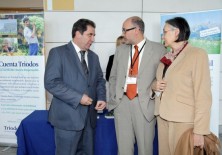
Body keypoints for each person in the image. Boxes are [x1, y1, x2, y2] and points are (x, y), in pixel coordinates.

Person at [44, 18, 106, 155]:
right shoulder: (58, 53)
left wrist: (101, 97)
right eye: (90, 34)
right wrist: (78, 97)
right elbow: (51, 82)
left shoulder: (94, 57)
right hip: (67, 119)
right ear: (78, 33)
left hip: (89, 119)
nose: (93, 39)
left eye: (94, 35)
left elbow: (100, 80)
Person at [151, 17, 212, 155]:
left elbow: (203, 95)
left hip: (184, 122)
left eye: (165, 32)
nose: (162, 35)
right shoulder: (165, 58)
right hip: (162, 118)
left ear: (176, 32)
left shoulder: (197, 54)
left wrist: (200, 131)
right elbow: (159, 82)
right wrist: (153, 86)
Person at [108, 16, 166, 155]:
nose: (123, 33)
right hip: (122, 104)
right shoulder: (121, 50)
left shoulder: (159, 49)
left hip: (144, 104)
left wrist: (153, 87)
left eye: (125, 30)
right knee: (123, 149)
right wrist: (114, 98)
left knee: (145, 149)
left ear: (137, 30)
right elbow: (113, 77)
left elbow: (163, 77)